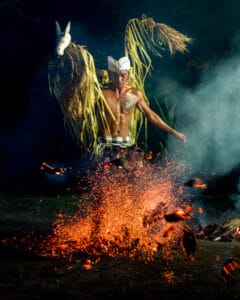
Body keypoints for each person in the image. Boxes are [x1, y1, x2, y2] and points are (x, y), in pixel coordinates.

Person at [95, 56, 186, 168]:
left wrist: (174, 132)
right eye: (115, 75)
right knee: (102, 179)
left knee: (133, 175)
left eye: (122, 75)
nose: (119, 79)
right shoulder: (100, 93)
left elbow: (151, 115)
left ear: (128, 74)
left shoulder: (134, 94)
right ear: (109, 74)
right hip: (105, 144)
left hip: (124, 145)